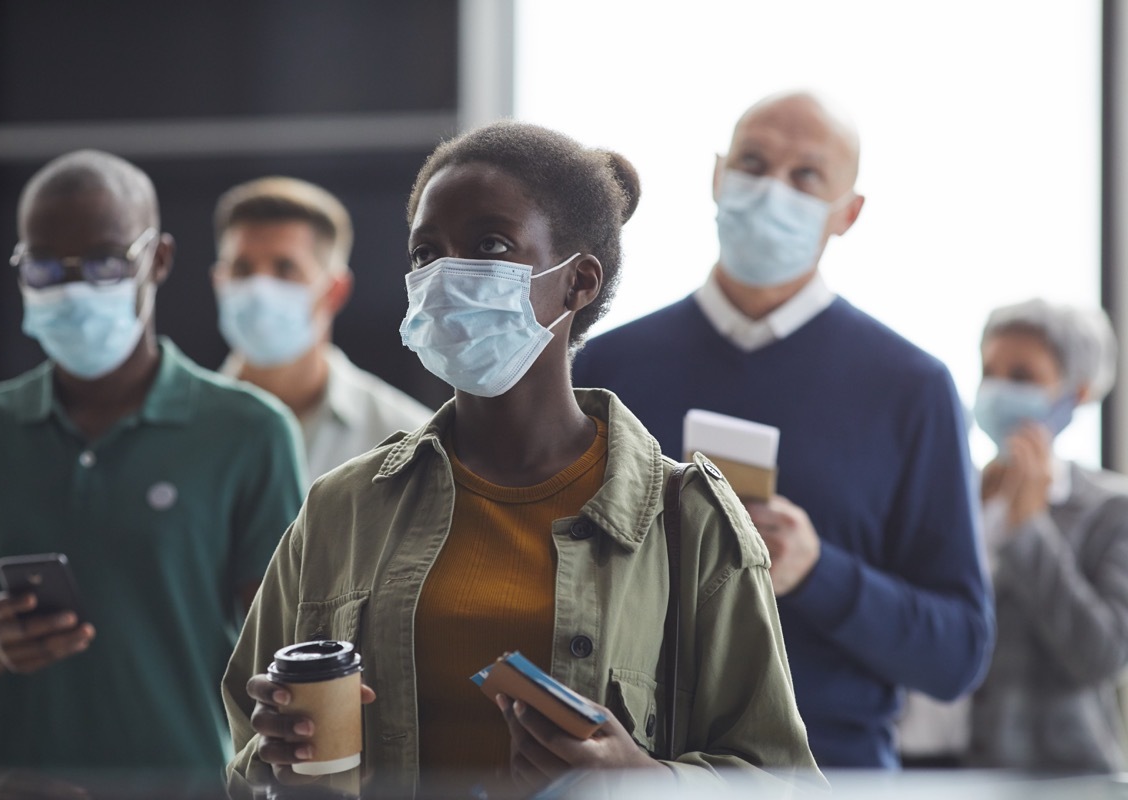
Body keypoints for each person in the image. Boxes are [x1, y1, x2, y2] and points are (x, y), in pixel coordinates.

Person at [221, 120, 822, 796]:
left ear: (580, 282)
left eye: (490, 245)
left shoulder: (687, 522)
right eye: (427, 253)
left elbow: (788, 783)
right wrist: (280, 764)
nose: (448, 274)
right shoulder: (343, 509)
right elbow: (247, 764)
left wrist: (642, 780)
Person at [571, 90, 994, 769]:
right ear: (717, 176)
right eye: (754, 162)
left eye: (806, 176)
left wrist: (818, 572)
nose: (772, 190)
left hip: (832, 774)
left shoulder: (911, 387)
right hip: (632, 771)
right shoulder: (605, 366)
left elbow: (957, 654)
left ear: (848, 213)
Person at [0, 150, 305, 776]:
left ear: (157, 260)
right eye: (47, 267)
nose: (74, 290)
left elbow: (290, 662)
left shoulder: (246, 433)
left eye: (103, 262)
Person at [965, 298, 1128, 772]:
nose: (996, 390)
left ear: (1073, 395)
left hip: (1061, 777)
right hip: (946, 773)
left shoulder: (1110, 510)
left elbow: (1103, 655)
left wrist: (1028, 529)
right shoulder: (957, 497)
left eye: (1021, 377)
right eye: (988, 371)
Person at [212, 176, 432, 483]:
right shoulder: (181, 430)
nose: (258, 289)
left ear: (335, 290)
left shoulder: (405, 439)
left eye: (285, 268)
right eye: (242, 269)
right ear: (218, 282)